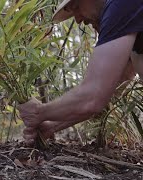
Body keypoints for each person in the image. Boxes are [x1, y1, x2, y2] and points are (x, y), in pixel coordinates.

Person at [17, 0, 143, 145]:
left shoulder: (121, 4)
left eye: (76, 7)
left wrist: (39, 112)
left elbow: (93, 96)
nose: (78, 20)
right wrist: (52, 126)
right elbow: (115, 86)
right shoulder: (131, 17)